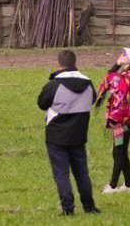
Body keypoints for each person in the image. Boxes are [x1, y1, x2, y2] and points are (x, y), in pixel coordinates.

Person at [37, 48, 101, 216]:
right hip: (79, 133)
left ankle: (68, 208)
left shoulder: (54, 84)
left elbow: (42, 103)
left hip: (56, 135)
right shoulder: (88, 83)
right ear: (75, 63)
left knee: (61, 173)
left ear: (57, 64)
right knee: (82, 172)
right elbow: (92, 99)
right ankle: (89, 206)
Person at [95, 46, 130, 194]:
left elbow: (108, 79)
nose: (122, 55)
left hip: (120, 119)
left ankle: (112, 186)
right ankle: (128, 185)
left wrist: (116, 64)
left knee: (118, 152)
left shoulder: (124, 78)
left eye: (125, 54)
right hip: (129, 118)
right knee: (122, 151)